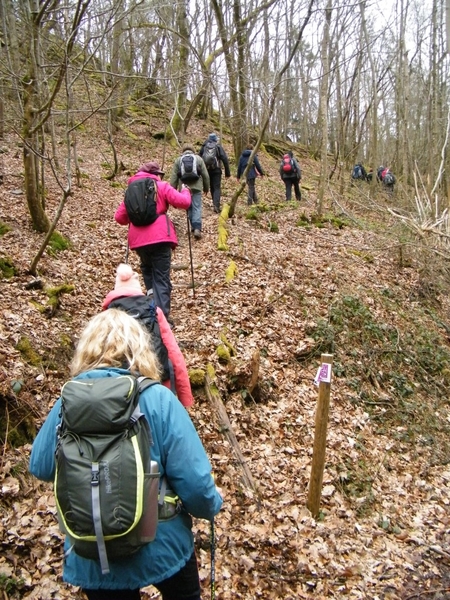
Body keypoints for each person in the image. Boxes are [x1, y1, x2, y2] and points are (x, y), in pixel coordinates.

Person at [29, 309, 223, 600]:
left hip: (94, 552)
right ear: (140, 349)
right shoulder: (158, 399)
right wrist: (210, 507)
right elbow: (195, 483)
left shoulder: (69, 403)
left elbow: (40, 465)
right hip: (160, 543)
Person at [102, 263, 194, 408]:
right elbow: (174, 354)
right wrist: (185, 399)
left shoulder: (105, 318)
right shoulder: (153, 311)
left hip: (116, 393)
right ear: (138, 290)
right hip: (158, 389)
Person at [115, 161, 191, 322]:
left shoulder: (131, 190)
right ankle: (160, 319)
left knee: (148, 272)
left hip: (138, 242)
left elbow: (120, 218)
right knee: (161, 278)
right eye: (160, 174)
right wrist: (185, 191)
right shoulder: (161, 186)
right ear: (156, 174)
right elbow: (184, 203)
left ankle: (151, 306)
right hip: (160, 238)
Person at [170, 144, 209, 240]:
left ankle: (193, 225)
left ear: (183, 151)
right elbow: (205, 175)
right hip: (196, 187)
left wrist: (172, 192)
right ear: (193, 150)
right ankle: (197, 228)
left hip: (184, 188)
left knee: (189, 207)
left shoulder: (178, 160)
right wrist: (206, 188)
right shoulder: (198, 159)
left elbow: (174, 177)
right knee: (197, 207)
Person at [199, 133, 231, 214]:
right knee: (216, 187)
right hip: (216, 170)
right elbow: (225, 159)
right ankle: (216, 205)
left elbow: (199, 158)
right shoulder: (218, 146)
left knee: (211, 187)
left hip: (206, 170)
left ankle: (214, 203)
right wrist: (227, 173)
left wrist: (199, 171)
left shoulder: (204, 146)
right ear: (215, 139)